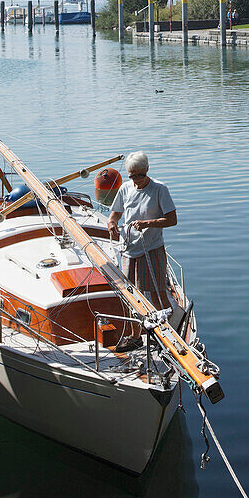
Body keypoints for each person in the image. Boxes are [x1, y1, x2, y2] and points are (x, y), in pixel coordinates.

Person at [107, 151, 177, 353]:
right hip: (129, 250)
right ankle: (135, 336)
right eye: (132, 176)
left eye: (139, 175)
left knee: (157, 295)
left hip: (152, 249)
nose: (136, 180)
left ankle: (169, 333)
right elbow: (115, 214)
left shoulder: (159, 189)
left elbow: (172, 220)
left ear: (147, 169)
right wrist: (112, 223)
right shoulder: (125, 189)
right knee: (131, 296)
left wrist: (149, 223)